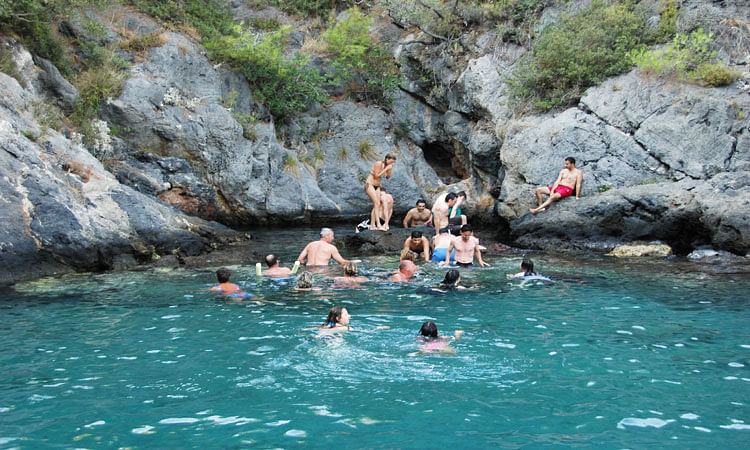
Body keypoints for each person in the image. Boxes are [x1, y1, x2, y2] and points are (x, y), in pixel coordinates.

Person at [364, 153, 397, 231]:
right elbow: (376, 176)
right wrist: (385, 169)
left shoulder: (388, 166)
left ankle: (372, 225)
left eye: (393, 162)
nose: (391, 163)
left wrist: (389, 169)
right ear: (387, 159)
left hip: (377, 185)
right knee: (377, 203)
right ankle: (378, 224)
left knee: (376, 204)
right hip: (370, 184)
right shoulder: (379, 163)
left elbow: (388, 177)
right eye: (391, 161)